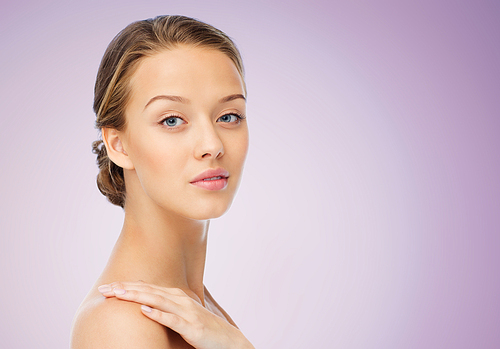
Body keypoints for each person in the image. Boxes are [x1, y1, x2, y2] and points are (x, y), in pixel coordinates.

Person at [70, 15, 254, 349]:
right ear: (118, 144)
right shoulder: (120, 324)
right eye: (172, 120)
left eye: (228, 116)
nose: (212, 145)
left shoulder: (199, 311)